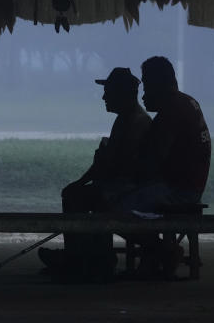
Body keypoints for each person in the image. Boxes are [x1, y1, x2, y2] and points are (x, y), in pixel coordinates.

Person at [39, 67, 151, 279]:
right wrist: (87, 177)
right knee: (75, 193)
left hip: (127, 188)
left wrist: (90, 175)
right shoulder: (126, 119)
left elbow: (117, 165)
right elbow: (108, 161)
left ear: (122, 94)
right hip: (120, 183)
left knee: (76, 196)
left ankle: (83, 259)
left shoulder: (136, 122)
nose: (104, 97)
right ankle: (85, 256)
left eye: (108, 92)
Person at [117, 56, 211, 277]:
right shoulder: (187, 102)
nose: (144, 93)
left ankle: (164, 251)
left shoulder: (170, 112)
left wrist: (127, 178)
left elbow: (154, 160)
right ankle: (155, 255)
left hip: (178, 190)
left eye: (147, 85)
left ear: (160, 84)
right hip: (190, 184)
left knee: (116, 210)